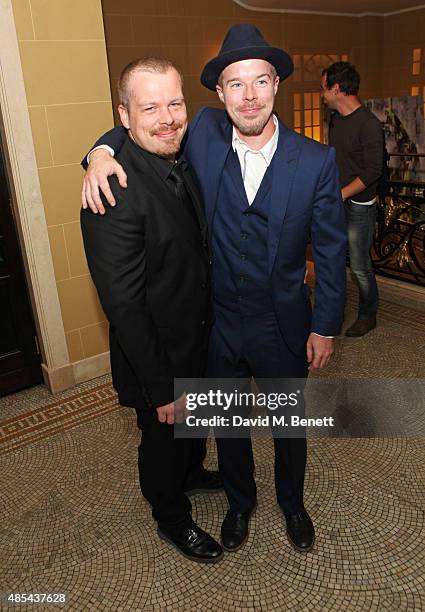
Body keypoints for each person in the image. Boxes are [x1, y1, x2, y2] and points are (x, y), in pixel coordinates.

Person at [82, 25, 347, 554]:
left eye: (259, 82)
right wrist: (97, 153)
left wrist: (324, 325)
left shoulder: (316, 160)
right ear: (220, 94)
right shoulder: (200, 133)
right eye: (234, 84)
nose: (248, 96)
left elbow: (334, 251)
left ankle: (292, 503)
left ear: (277, 86)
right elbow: (135, 128)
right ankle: (240, 500)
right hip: (219, 325)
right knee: (227, 425)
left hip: (284, 324)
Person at [80, 57, 223, 564]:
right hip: (157, 357)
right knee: (161, 441)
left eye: (175, 103)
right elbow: (124, 304)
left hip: (197, 335)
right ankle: (171, 516)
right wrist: (161, 388)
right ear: (124, 115)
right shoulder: (111, 190)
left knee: (192, 432)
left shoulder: (175, 150)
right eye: (150, 108)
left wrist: (98, 147)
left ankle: (193, 473)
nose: (168, 118)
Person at [321, 61, 384, 337]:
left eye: (324, 89)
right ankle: (334, 310)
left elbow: (373, 171)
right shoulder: (336, 120)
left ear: (336, 88)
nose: (322, 95)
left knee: (359, 266)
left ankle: (368, 315)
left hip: (359, 205)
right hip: (338, 199)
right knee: (335, 260)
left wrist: (340, 194)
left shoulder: (369, 124)